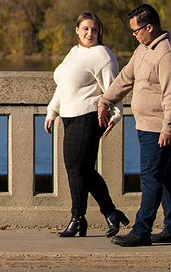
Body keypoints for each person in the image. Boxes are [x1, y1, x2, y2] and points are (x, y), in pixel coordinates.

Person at [97, 3, 171, 246]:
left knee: (150, 178)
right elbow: (126, 77)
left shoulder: (168, 55)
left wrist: (168, 127)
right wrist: (106, 100)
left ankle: (141, 230)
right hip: (146, 126)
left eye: (136, 31)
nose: (134, 35)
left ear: (150, 26)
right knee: (164, 176)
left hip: (160, 128)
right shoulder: (144, 49)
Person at [45, 12, 130, 237]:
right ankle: (110, 213)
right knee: (80, 169)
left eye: (94, 30)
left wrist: (116, 114)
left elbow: (113, 88)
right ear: (77, 30)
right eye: (85, 29)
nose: (89, 33)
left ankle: (77, 218)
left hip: (90, 117)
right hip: (69, 117)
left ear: (99, 32)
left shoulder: (103, 55)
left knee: (78, 168)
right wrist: (52, 112)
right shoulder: (74, 52)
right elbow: (63, 85)